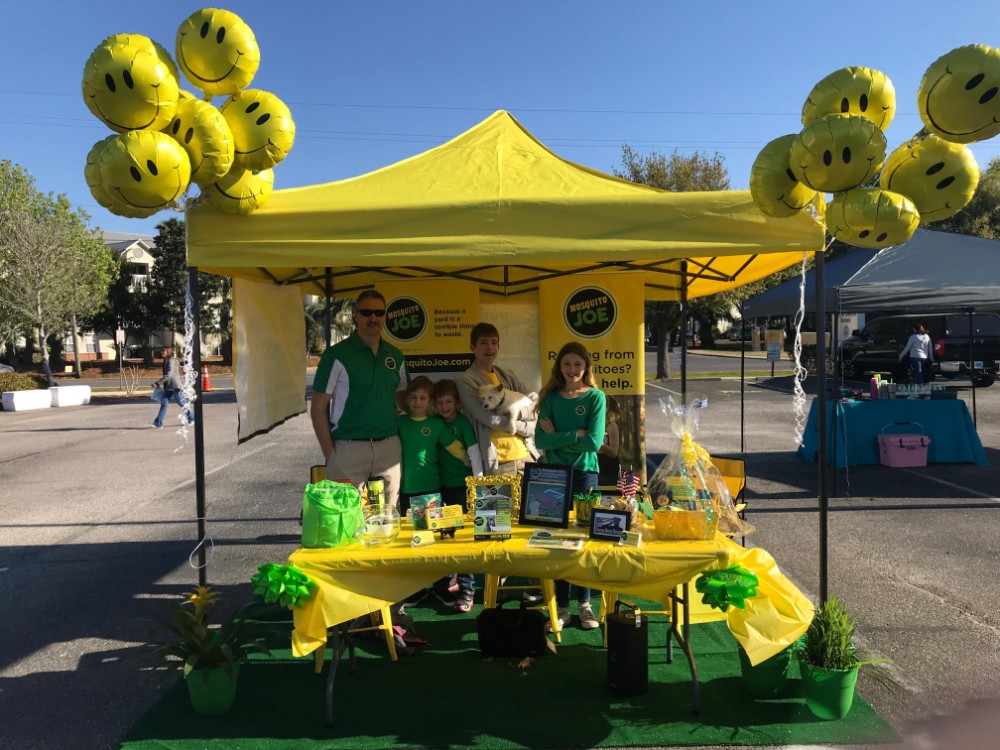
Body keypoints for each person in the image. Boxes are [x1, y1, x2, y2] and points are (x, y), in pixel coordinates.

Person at [310, 290, 409, 507]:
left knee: (387, 519)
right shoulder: (335, 356)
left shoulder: (396, 356)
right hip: (348, 449)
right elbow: (318, 408)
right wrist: (331, 454)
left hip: (389, 449)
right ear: (356, 315)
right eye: (366, 312)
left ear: (385, 316)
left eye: (378, 312)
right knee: (346, 521)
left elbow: (404, 401)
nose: (373, 318)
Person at [534, 341, 606, 632]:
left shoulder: (596, 397)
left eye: (578, 364)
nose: (572, 370)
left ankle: (585, 605)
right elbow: (540, 441)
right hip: (554, 475)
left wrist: (560, 436)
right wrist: (576, 432)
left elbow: (595, 442)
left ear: (586, 367)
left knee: (585, 542)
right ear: (559, 367)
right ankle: (562, 608)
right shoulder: (550, 398)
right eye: (567, 364)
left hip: (585, 474)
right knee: (559, 543)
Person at [397, 375, 467, 607]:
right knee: (413, 541)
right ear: (407, 400)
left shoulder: (436, 425)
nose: (417, 402)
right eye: (414, 397)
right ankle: (415, 590)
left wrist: (473, 462)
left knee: (433, 542)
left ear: (430, 403)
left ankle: (441, 588)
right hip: (407, 491)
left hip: (431, 492)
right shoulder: (400, 423)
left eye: (423, 398)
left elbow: (455, 447)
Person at [456, 323, 538, 477]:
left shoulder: (507, 375)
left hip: (526, 456)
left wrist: (520, 414)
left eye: (494, 342)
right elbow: (490, 419)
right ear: (472, 348)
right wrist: (529, 427)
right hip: (498, 463)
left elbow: (535, 403)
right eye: (484, 342)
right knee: (499, 503)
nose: (490, 347)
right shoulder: (466, 381)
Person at [433, 378, 483, 613]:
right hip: (437, 487)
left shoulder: (462, 423)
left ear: (457, 402)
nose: (444, 407)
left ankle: (467, 587)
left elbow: (473, 453)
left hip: (460, 488)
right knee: (443, 534)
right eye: (440, 402)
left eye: (449, 402)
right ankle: (448, 577)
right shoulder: (432, 423)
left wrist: (477, 482)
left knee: (462, 538)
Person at [150, 346, 192, 428]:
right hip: (169, 386)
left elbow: (169, 375)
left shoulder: (171, 361)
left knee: (181, 403)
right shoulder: (166, 360)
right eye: (161, 350)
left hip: (175, 386)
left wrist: (157, 383)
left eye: (164, 350)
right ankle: (158, 423)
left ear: (168, 351)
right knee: (164, 403)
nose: (162, 352)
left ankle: (192, 418)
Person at [597, 395, 622, 486]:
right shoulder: (590, 424)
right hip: (592, 469)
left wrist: (599, 444)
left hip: (608, 472)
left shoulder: (611, 426)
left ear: (607, 409)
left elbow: (614, 453)